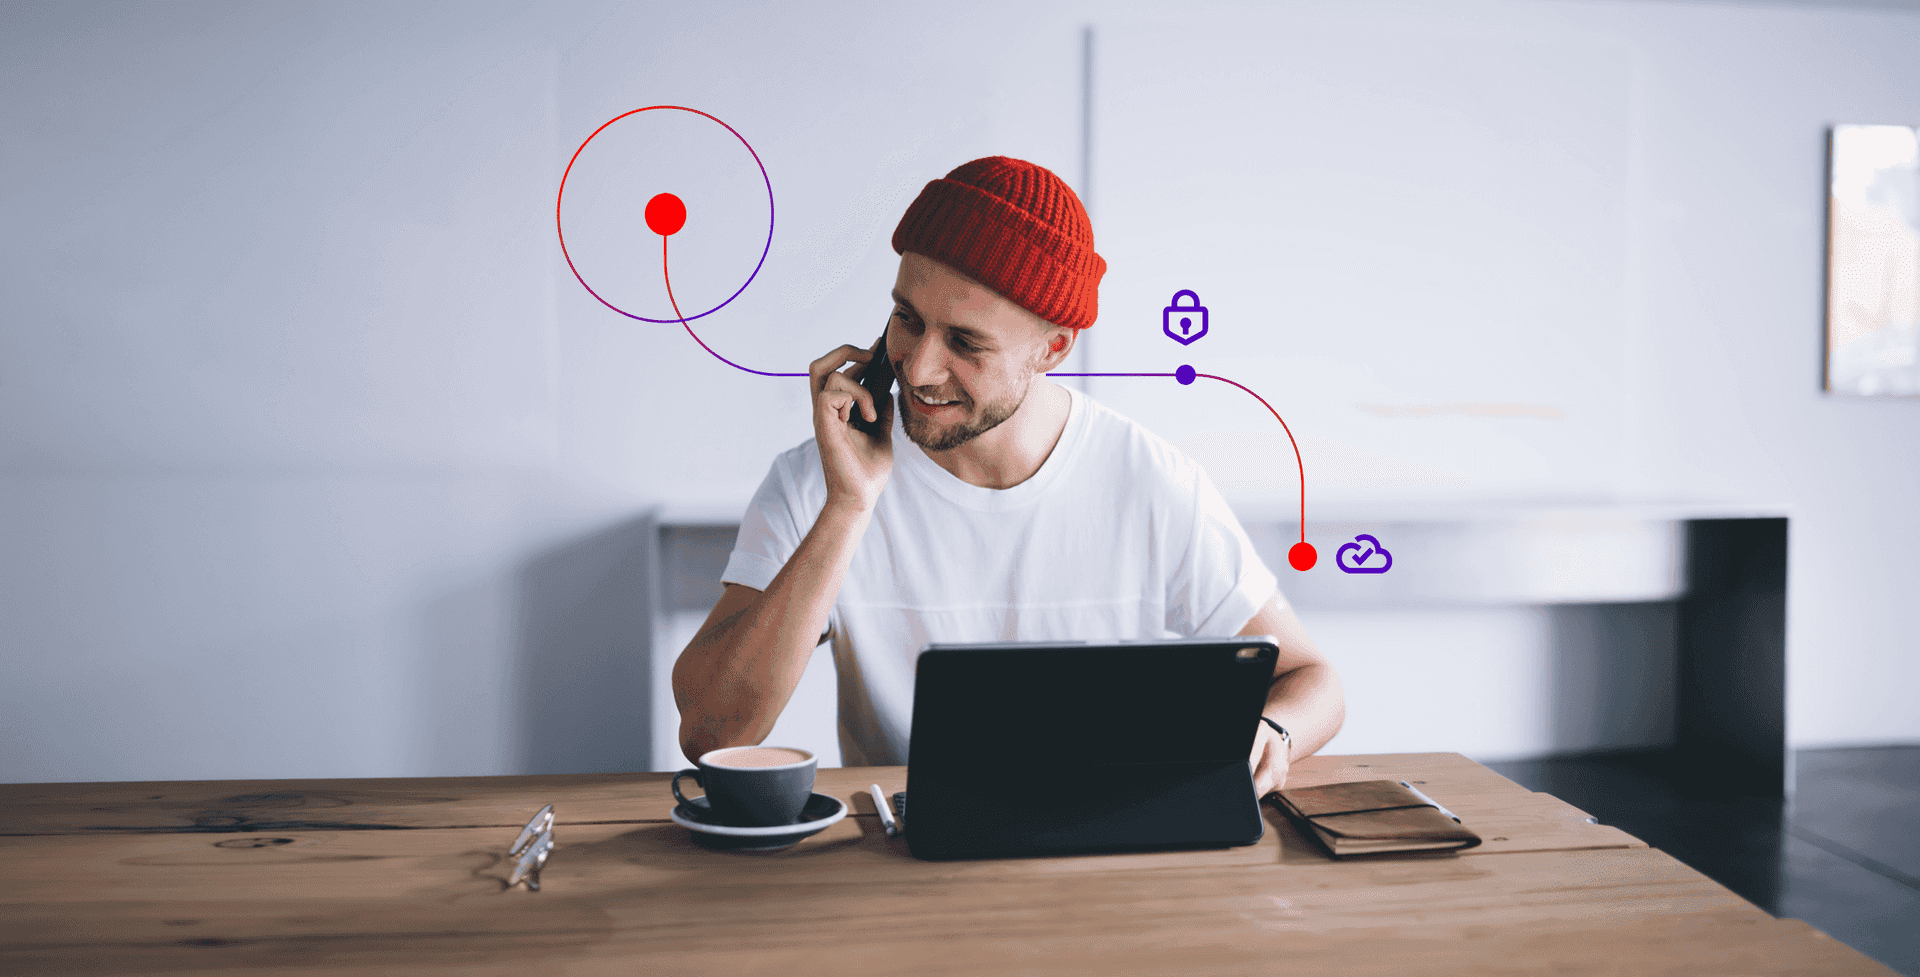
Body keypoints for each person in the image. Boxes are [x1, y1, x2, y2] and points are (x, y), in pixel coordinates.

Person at [672, 156, 1343, 796]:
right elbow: (712, 732)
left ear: (1054, 347)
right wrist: (848, 507)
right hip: (902, 856)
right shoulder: (821, 481)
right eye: (907, 319)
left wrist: (1271, 731)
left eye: (965, 342)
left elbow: (1314, 681)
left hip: (1106, 845)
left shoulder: (1150, 482)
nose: (919, 368)